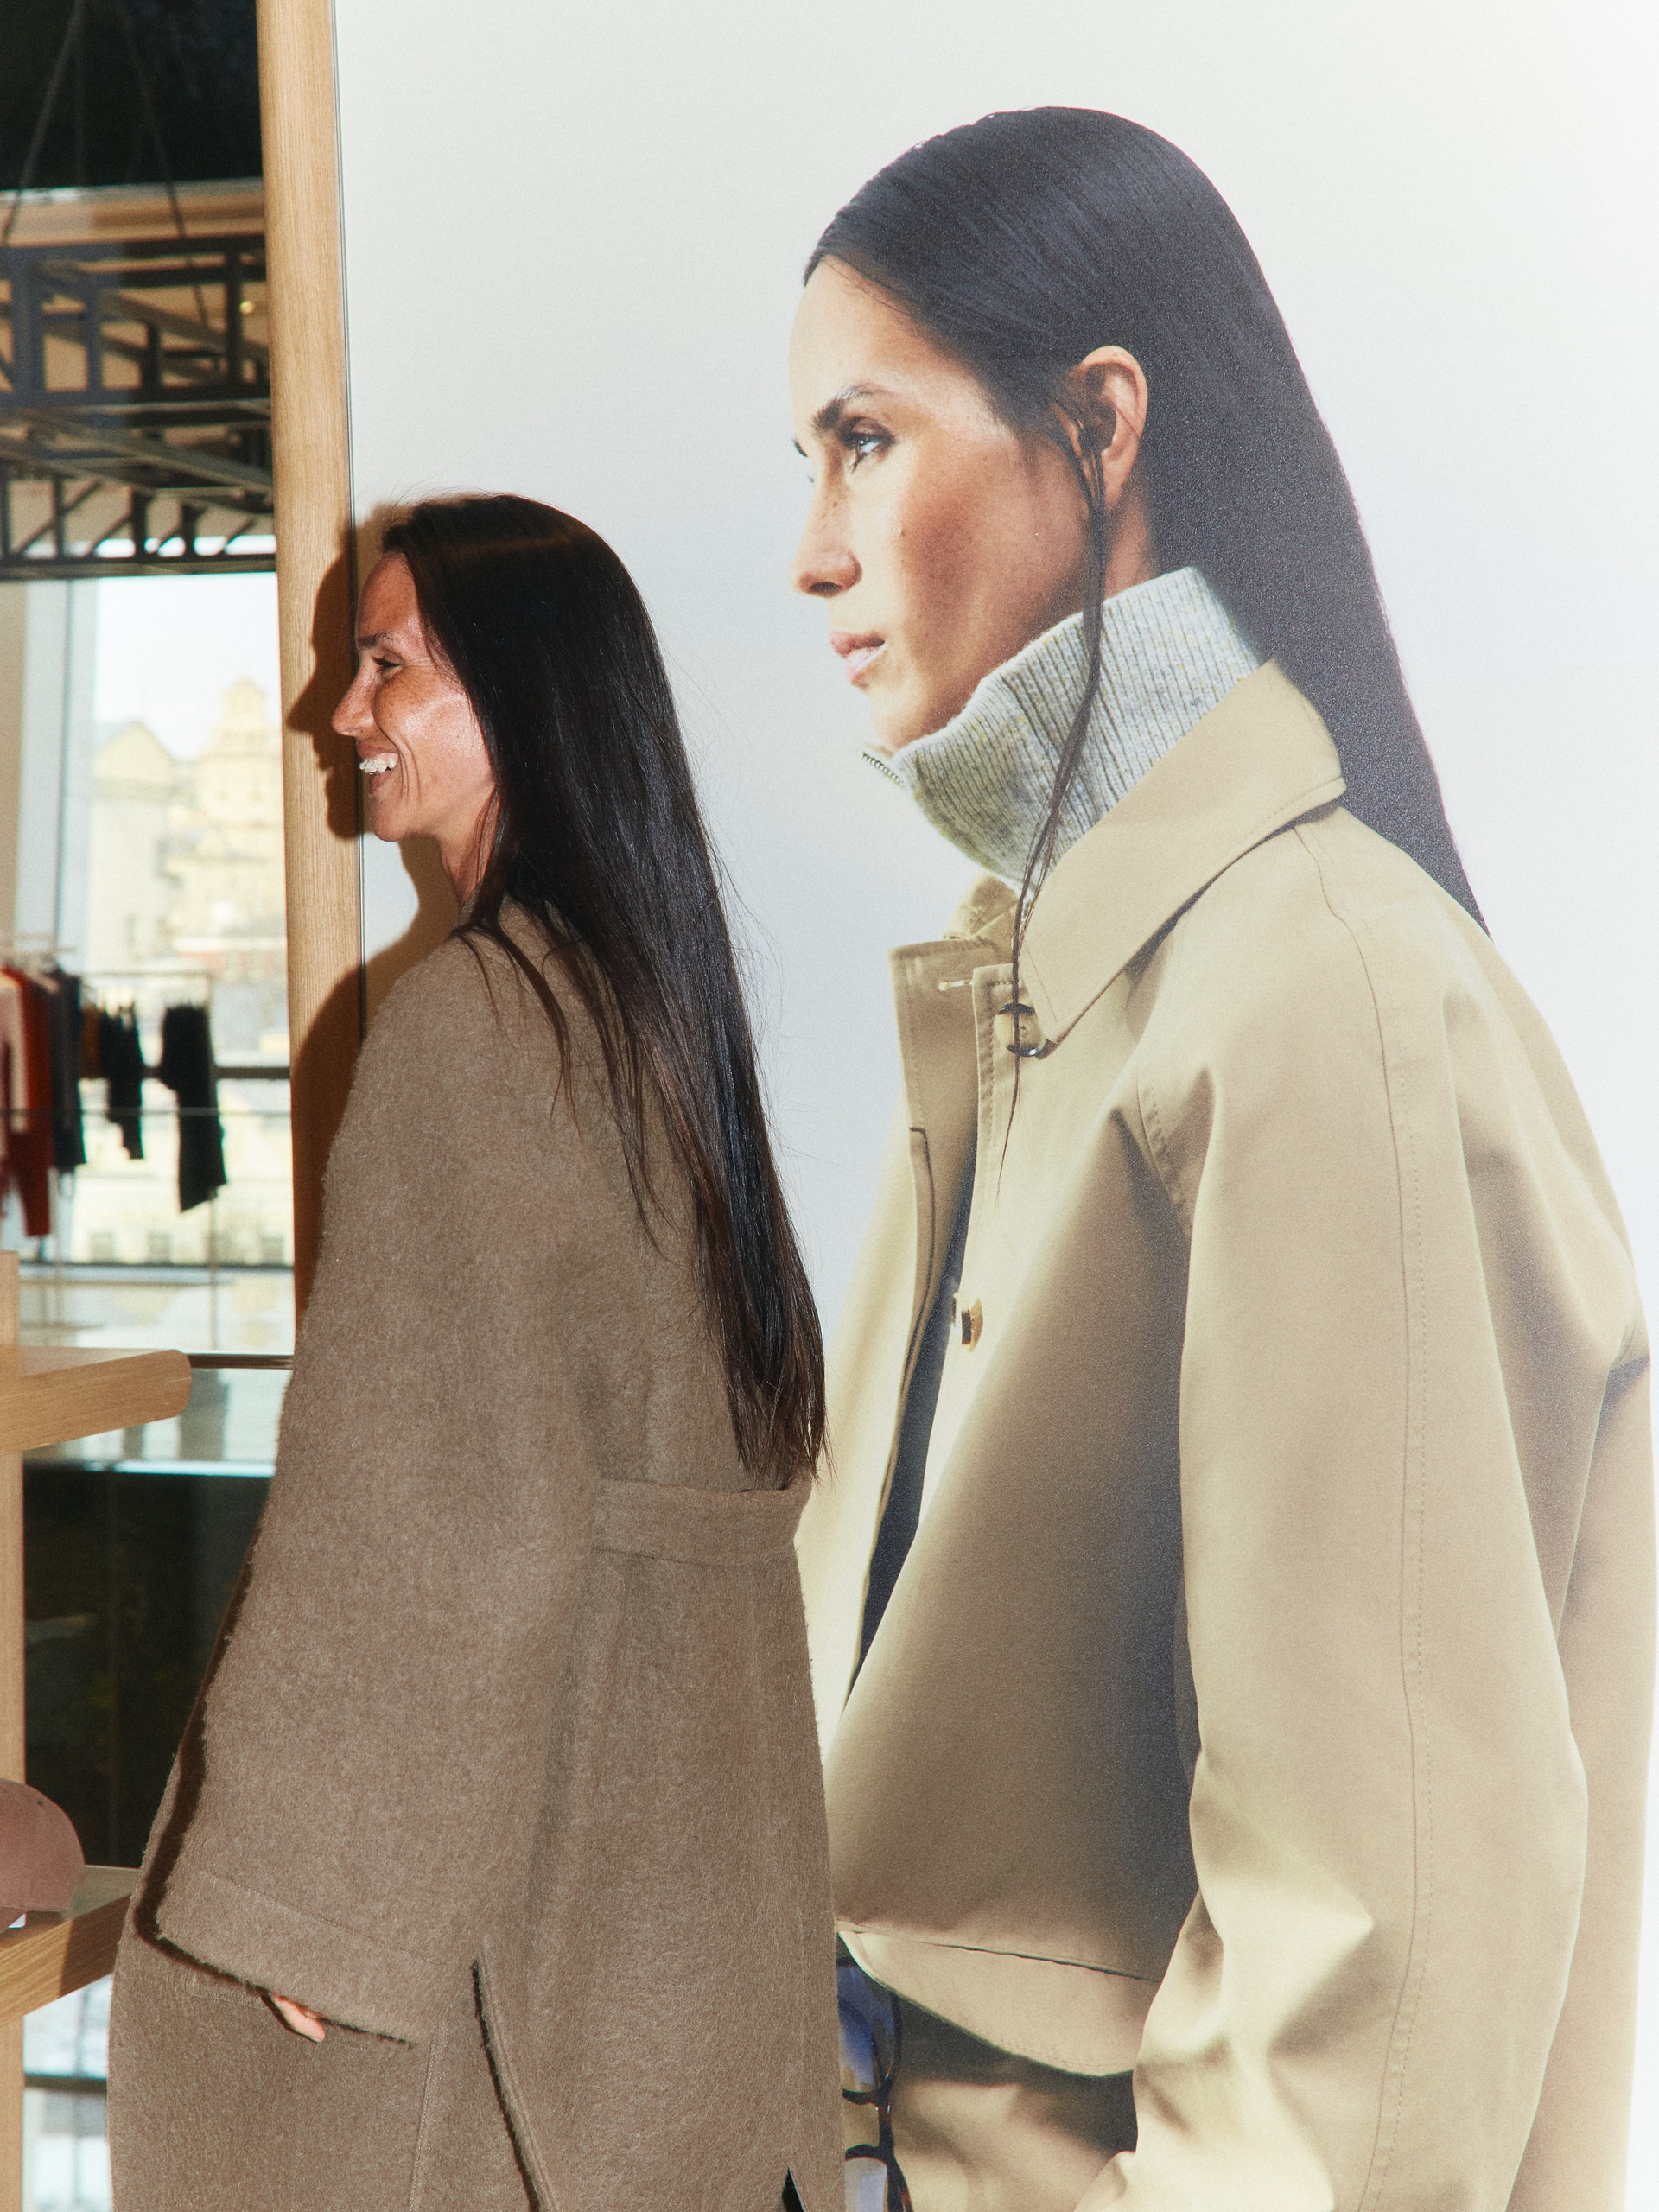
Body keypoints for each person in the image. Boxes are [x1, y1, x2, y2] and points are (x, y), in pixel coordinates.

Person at [787, 110, 1652, 2212]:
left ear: (1100, 428)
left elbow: (1371, 1974)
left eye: (864, 442)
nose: (812, 551)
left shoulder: (1314, 994)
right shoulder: (1037, 975)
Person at [107, 496, 842, 2212]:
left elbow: (436, 1498)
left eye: (387, 667)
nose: (341, 711)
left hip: (527, 1882)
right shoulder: (651, 1009)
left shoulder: (473, 1022)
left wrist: (321, 1895)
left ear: (521, 692)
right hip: (695, 1853)